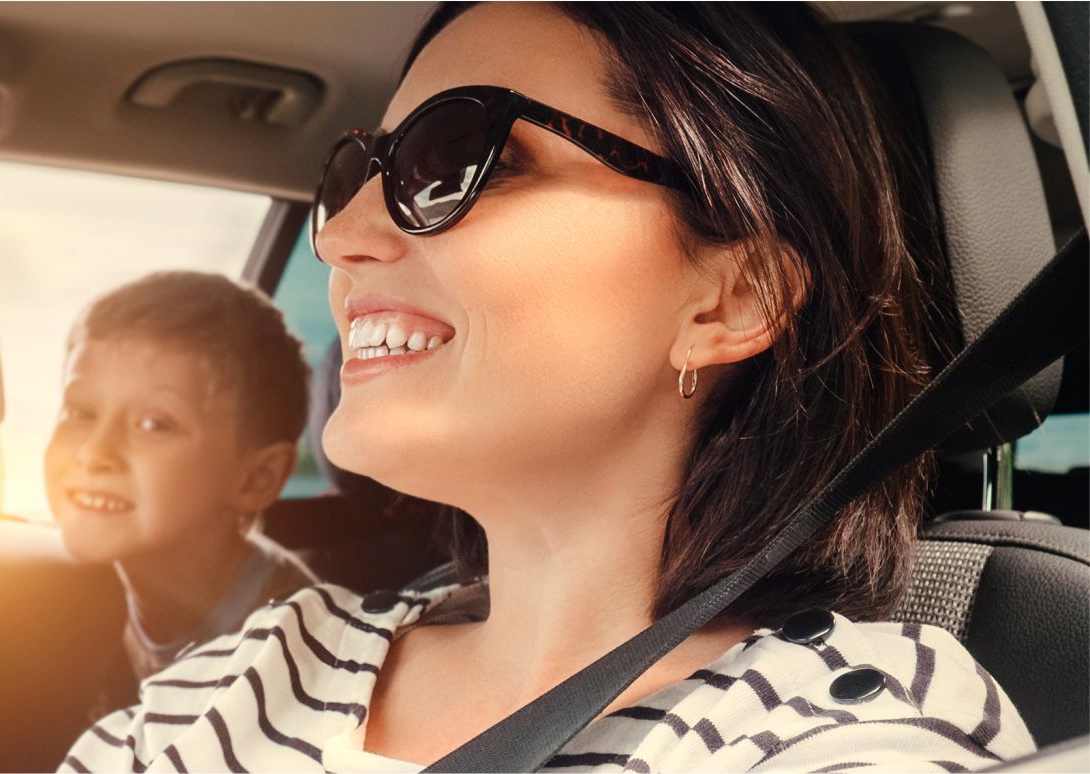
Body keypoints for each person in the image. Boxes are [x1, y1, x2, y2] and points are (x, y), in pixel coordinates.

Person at [60, 3, 1034, 771]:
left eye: (456, 162)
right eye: (354, 172)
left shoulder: (842, 718)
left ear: (729, 297)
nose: (340, 235)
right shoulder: (252, 672)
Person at [45, 272, 320, 682]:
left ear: (256, 479)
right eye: (80, 413)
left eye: (153, 424)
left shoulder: (290, 652)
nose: (94, 453)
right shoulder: (93, 597)